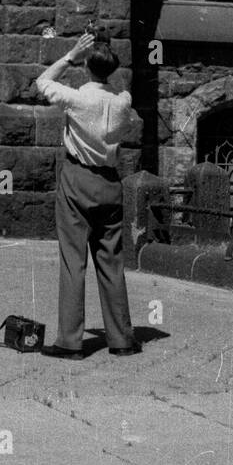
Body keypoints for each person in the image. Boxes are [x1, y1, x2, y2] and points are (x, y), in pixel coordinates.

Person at [35, 31, 140, 360]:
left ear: (86, 67)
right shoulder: (123, 101)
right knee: (111, 262)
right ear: (111, 68)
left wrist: (71, 55)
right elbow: (118, 84)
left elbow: (42, 81)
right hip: (111, 181)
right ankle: (121, 339)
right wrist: (103, 54)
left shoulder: (77, 98)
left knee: (73, 261)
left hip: (78, 178)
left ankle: (70, 341)